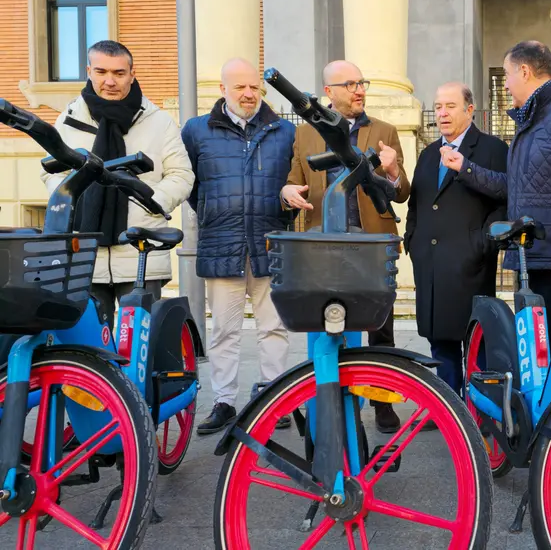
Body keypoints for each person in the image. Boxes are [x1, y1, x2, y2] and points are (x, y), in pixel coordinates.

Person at [440, 40, 551, 480]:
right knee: (545, 360)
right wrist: (464, 168)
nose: (506, 84)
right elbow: (515, 186)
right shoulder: (535, 121)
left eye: (508, 76)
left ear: (526, 73)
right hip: (537, 255)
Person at [281, 60, 410, 433]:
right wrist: (288, 192)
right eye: (350, 83)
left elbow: (401, 192)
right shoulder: (305, 134)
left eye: (362, 82)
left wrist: (391, 171)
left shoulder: (384, 130)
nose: (359, 89)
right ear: (329, 93)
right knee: (325, 321)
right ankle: (326, 395)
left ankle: (382, 403)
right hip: (323, 245)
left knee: (380, 326)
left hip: (370, 244)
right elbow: (293, 179)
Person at [181, 58, 297, 435]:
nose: (248, 94)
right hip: (222, 242)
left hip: (269, 241)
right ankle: (224, 402)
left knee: (273, 328)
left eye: (254, 87)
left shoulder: (283, 131)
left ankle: (274, 398)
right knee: (224, 332)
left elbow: (292, 181)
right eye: (239, 87)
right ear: (222, 90)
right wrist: (213, 210)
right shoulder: (197, 131)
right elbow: (191, 185)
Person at [41, 40, 194, 322]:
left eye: (119, 73)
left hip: (140, 253)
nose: (110, 81)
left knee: (139, 348)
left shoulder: (159, 121)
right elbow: (52, 174)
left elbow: (182, 175)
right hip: (85, 254)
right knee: (89, 348)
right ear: (89, 71)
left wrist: (151, 200)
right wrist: (75, 199)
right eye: (101, 72)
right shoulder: (68, 120)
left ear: (132, 75)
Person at [406, 82, 507, 401]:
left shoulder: (492, 149)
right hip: (431, 265)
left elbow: (504, 201)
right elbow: (417, 204)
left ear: (469, 110)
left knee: (475, 338)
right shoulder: (427, 154)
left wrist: (484, 242)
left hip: (470, 263)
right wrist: (414, 242)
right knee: (440, 340)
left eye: (450, 106)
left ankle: (479, 410)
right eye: (437, 106)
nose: (442, 113)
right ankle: (449, 407)